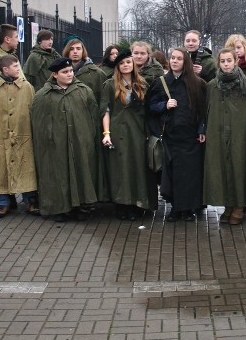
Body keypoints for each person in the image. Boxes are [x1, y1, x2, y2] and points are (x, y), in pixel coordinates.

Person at [31, 57, 102, 221]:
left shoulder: (83, 91)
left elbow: (93, 116)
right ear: (55, 74)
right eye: (65, 72)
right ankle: (61, 208)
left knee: (81, 171)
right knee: (59, 175)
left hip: (80, 141)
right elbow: (38, 123)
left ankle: (83, 205)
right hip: (55, 144)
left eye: (70, 71)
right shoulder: (43, 95)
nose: (69, 74)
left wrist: (90, 138)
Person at [147, 47, 208, 221]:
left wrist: (201, 128)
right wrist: (164, 106)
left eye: (179, 59)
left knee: (190, 173)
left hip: (190, 137)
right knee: (172, 172)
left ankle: (188, 208)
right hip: (170, 136)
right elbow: (150, 107)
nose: (174, 61)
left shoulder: (197, 83)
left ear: (185, 62)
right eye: (172, 58)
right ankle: (175, 207)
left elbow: (203, 109)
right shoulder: (161, 82)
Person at [0, 54, 38, 218]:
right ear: (5, 69)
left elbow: (32, 111)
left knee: (25, 167)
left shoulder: (26, 87)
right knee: (0, 168)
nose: (19, 69)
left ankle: (30, 200)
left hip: (22, 135)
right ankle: (3, 202)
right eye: (16, 67)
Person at [203, 48, 246, 225]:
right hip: (218, 132)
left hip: (240, 132)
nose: (226, 64)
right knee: (222, 168)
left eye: (229, 60)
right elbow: (207, 109)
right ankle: (228, 204)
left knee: (239, 167)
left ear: (235, 61)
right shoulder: (212, 85)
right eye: (223, 61)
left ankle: (240, 205)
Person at [101, 50, 157, 220]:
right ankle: (122, 204)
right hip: (118, 132)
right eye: (122, 63)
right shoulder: (110, 84)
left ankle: (138, 203)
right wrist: (106, 133)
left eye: (128, 62)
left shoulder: (142, 84)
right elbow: (106, 109)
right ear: (118, 66)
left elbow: (149, 110)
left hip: (138, 132)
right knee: (121, 168)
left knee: (138, 168)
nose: (126, 65)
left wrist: (150, 132)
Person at [64, 38, 108, 105]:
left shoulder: (97, 73)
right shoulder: (60, 72)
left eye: (78, 48)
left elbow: (104, 100)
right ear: (67, 51)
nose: (75, 51)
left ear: (83, 51)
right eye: (71, 49)